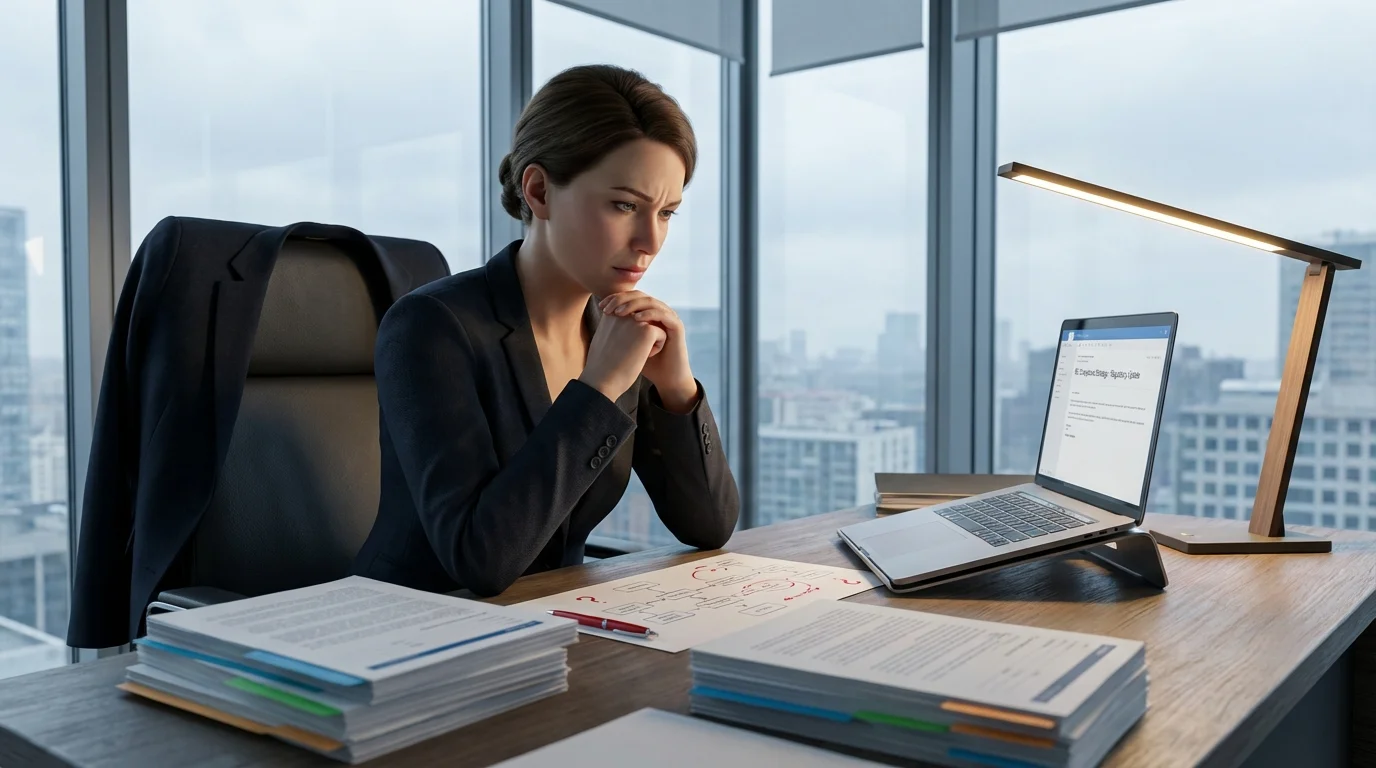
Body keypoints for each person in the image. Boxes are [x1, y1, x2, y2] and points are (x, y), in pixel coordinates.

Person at [350, 64, 741, 596]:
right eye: (624, 205)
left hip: (555, 622)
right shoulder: (432, 327)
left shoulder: (617, 328)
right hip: (416, 630)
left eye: (667, 212)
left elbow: (709, 526)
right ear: (538, 191)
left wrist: (677, 392)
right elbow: (480, 560)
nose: (651, 240)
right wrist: (599, 386)